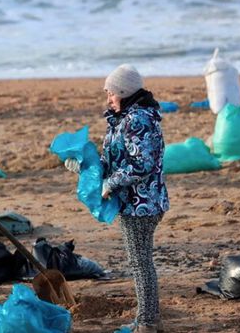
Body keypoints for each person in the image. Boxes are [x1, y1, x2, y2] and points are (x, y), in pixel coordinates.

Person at [65, 64, 169, 333]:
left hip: (143, 204)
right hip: (136, 203)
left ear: (124, 91)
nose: (108, 98)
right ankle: (149, 318)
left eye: (110, 93)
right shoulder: (124, 118)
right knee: (139, 260)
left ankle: (147, 322)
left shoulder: (137, 120)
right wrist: (83, 166)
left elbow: (142, 164)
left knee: (140, 262)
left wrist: (110, 183)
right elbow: (114, 161)